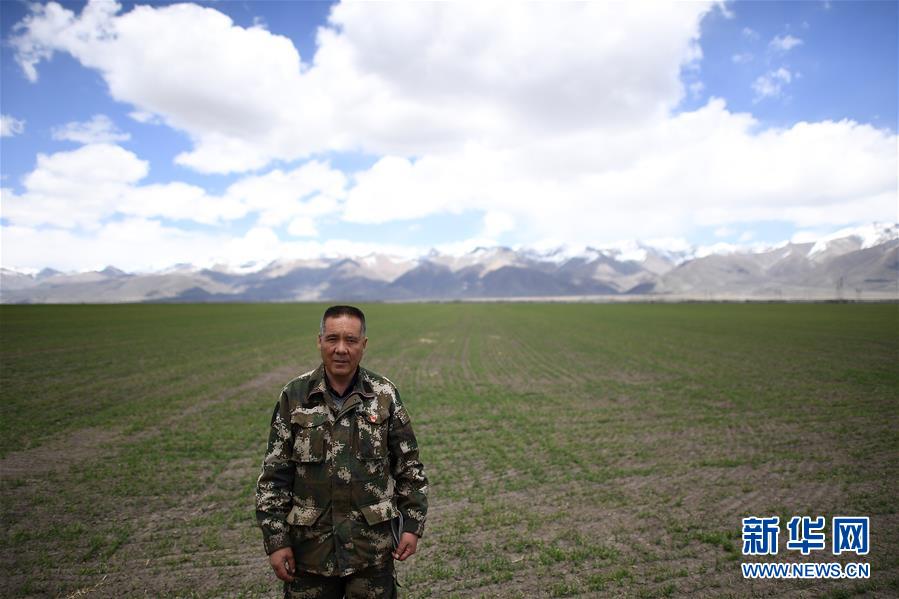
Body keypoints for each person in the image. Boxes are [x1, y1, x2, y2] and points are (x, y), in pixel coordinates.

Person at [255, 305, 429, 598]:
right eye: (332, 339)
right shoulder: (294, 396)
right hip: (310, 554)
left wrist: (411, 525)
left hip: (371, 552)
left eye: (351, 340)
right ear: (319, 341)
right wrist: (276, 541)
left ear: (363, 345)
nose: (341, 349)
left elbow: (409, 468)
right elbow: (274, 477)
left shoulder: (384, 395)